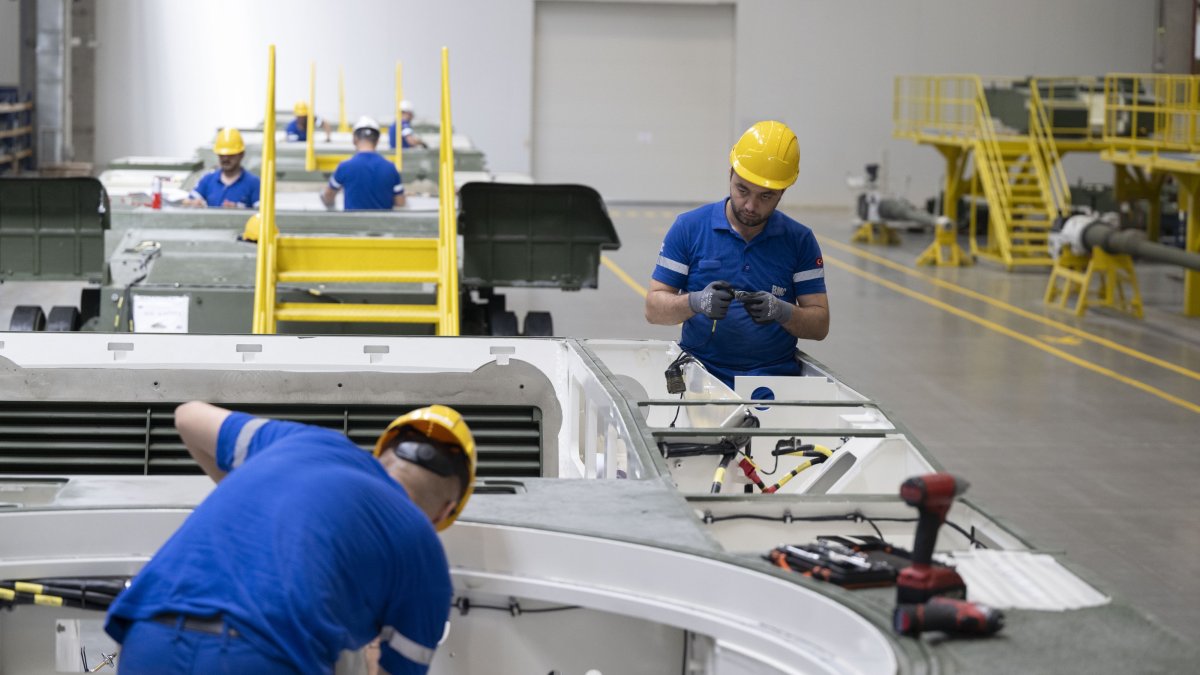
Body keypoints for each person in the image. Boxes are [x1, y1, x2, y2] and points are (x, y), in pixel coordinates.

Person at [104, 402, 476, 675]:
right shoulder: (424, 553)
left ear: (381, 456)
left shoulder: (303, 441)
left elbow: (186, 416)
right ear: (444, 512)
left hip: (148, 637)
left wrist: (262, 499)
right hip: (264, 658)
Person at [644, 120, 830, 388]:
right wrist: (695, 302)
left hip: (773, 381)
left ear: (783, 191)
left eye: (766, 196)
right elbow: (653, 309)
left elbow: (820, 325)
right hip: (700, 376)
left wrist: (782, 311)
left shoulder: (799, 240)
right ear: (731, 172)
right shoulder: (689, 228)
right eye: (742, 190)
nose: (751, 206)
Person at [322, 116, 406, 210]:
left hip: (353, 224)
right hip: (383, 224)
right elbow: (400, 202)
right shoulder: (390, 168)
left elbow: (328, 197)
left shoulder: (345, 167)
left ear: (354, 139)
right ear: (377, 140)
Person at [183, 128, 261, 209]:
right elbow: (187, 202)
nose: (226, 159)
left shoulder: (254, 183)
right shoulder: (208, 180)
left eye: (231, 155)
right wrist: (193, 203)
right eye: (222, 155)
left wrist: (240, 211)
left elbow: (261, 215)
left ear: (241, 155)